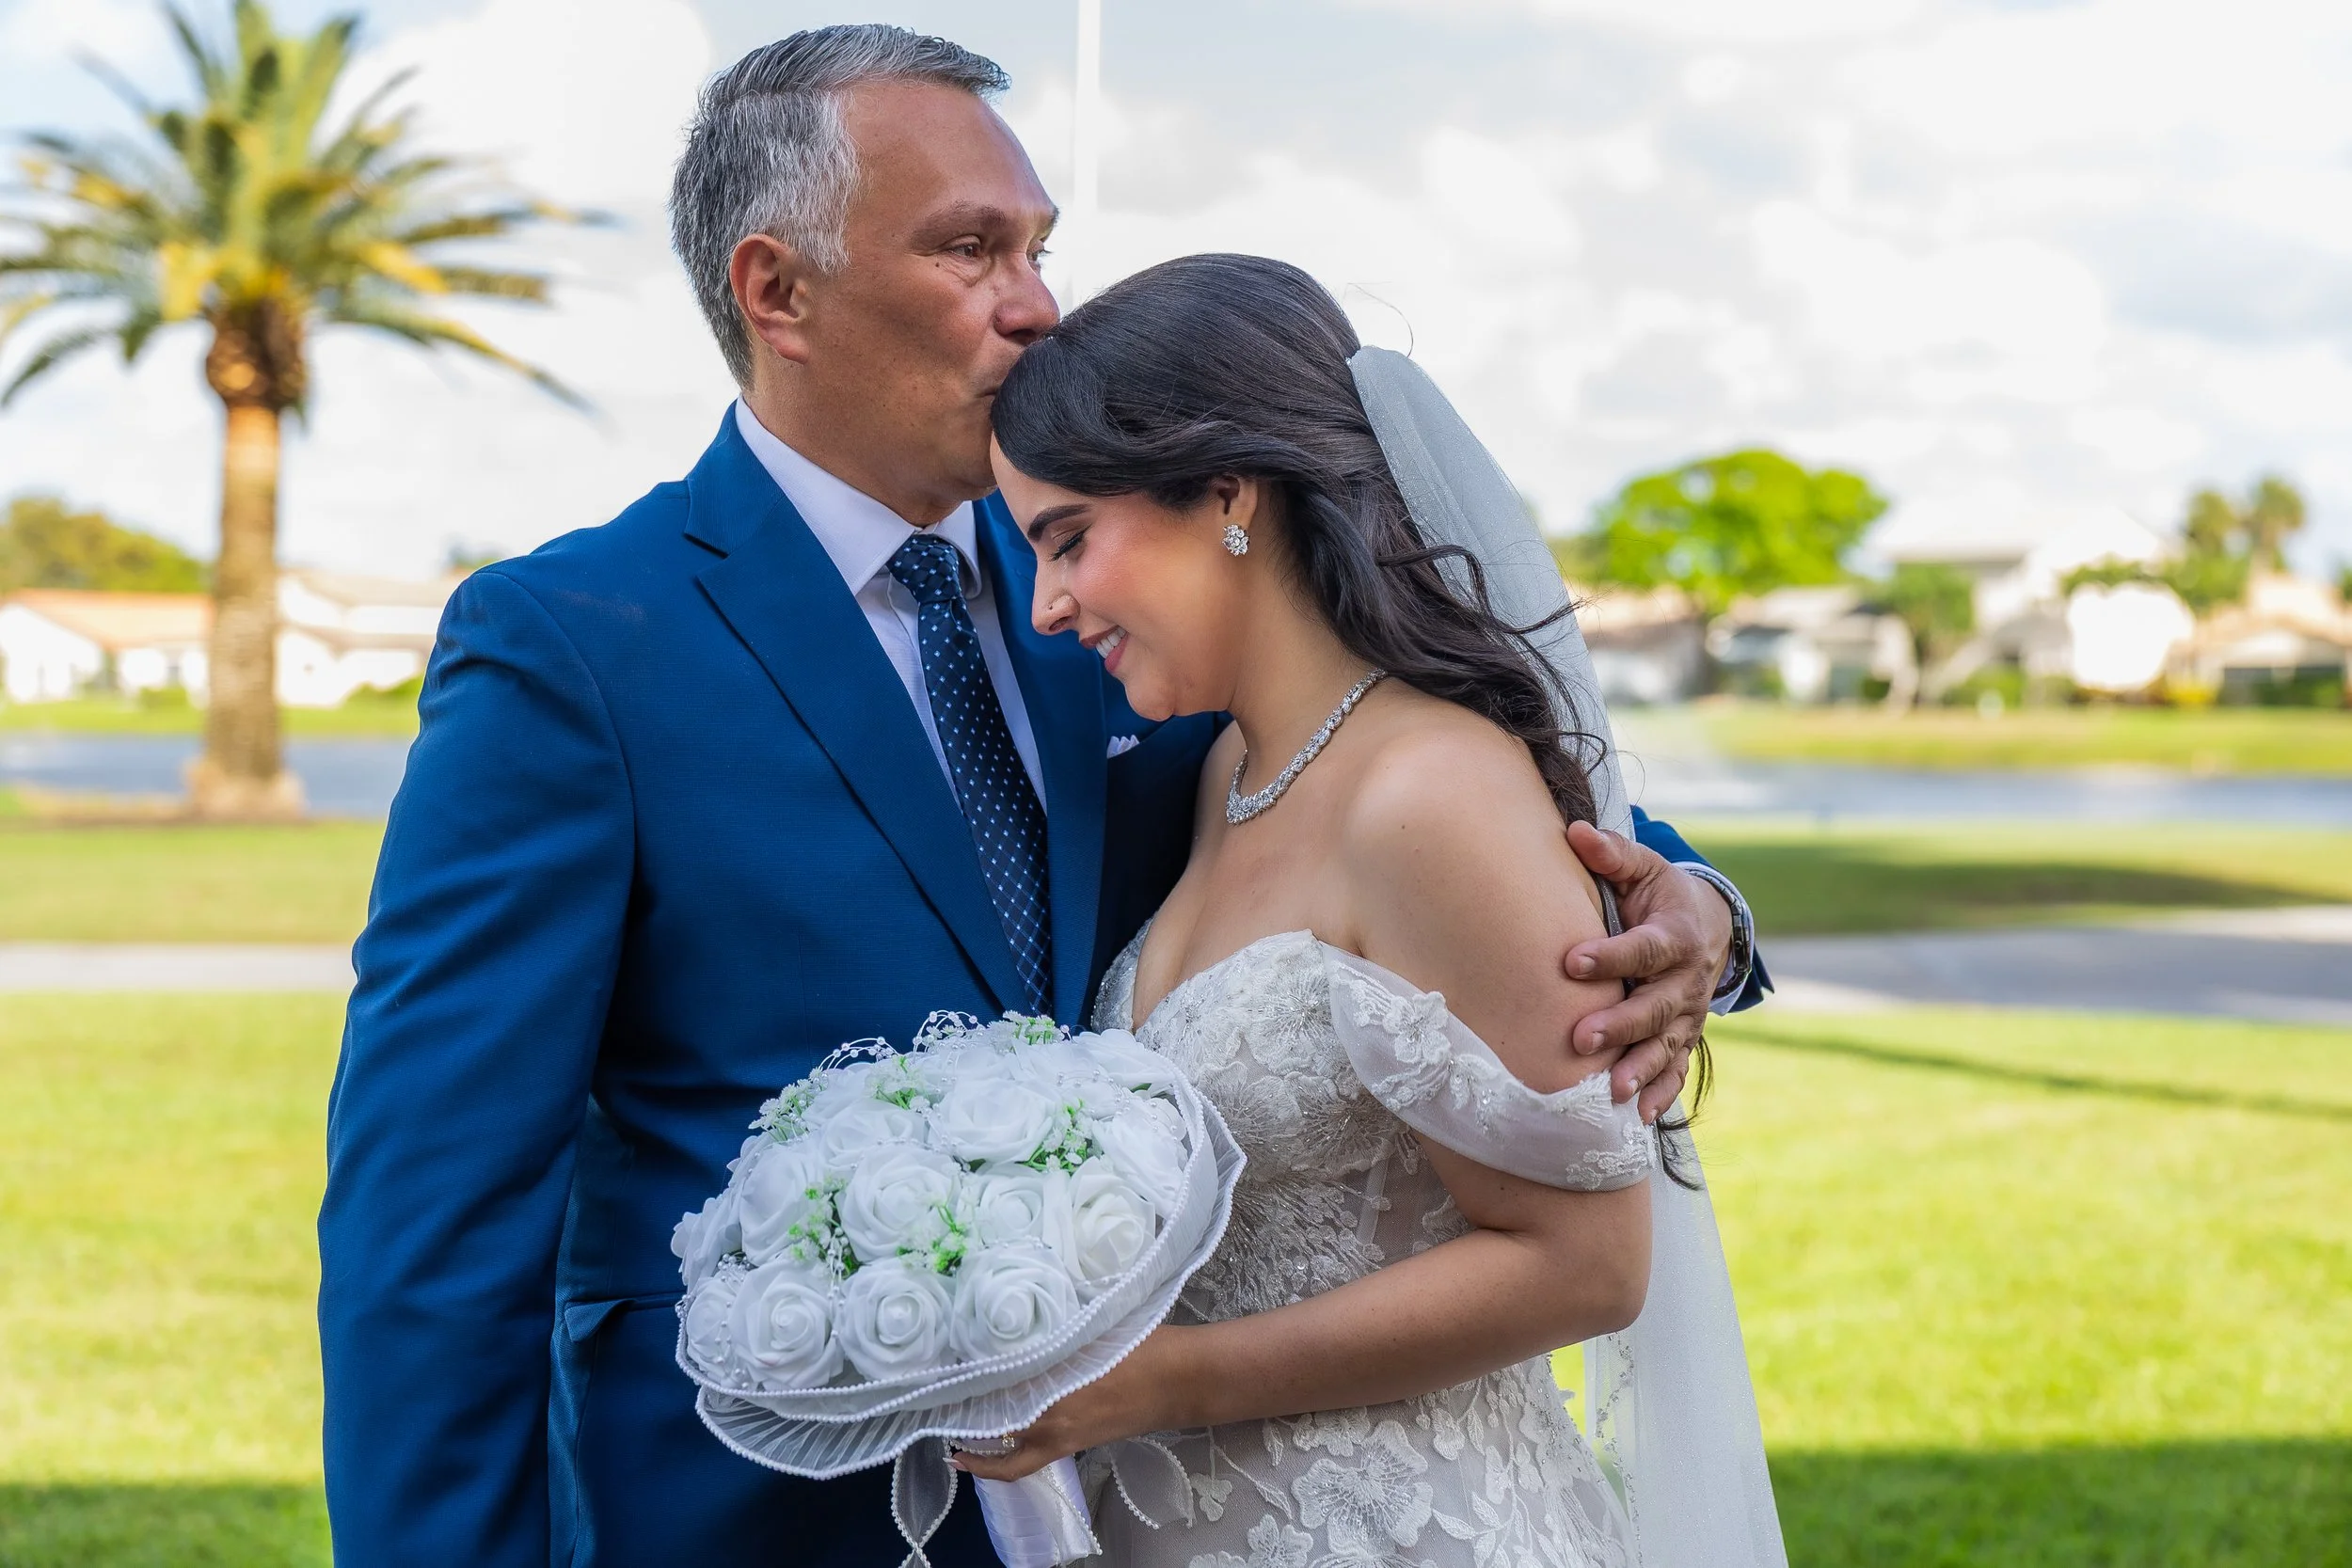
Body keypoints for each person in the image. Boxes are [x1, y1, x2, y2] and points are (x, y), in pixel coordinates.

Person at [316, 26, 1764, 1568]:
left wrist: (1686, 901)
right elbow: (436, 1221)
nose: (1036, 304)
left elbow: (1379, 768)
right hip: (765, 1525)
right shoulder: (577, 644)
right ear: (776, 291)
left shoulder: (1125, 586)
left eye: (1039, 247)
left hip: (1175, 1502)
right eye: (971, 249)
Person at [956, 253, 1786, 1567]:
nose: (1050, 603)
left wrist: (1171, 1380)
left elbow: (1588, 1263)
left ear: (1227, 492)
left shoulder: (1430, 789)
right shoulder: (1232, 768)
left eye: (1070, 537)